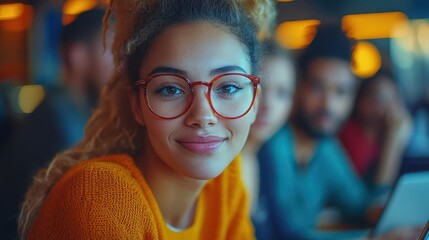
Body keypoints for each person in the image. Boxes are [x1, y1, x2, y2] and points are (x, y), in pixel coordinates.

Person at [18, 0, 272, 238]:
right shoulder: (99, 196)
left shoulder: (226, 182)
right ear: (137, 105)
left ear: (255, 101)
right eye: (170, 89)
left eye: (228, 88)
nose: (203, 115)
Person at [0, 8, 113, 239]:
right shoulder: (57, 124)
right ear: (77, 55)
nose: (120, 67)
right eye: (112, 51)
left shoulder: (69, 110)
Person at [258, 24, 378, 238]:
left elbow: (359, 205)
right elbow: (281, 234)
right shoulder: (267, 139)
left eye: (341, 92)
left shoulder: (326, 148)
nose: (328, 105)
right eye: (317, 87)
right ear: (298, 86)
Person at [240, 39, 300, 239]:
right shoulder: (217, 166)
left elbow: (282, 232)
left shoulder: (264, 154)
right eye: (259, 87)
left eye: (282, 93)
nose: (268, 105)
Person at [339, 70, 412, 187]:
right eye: (380, 100)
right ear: (360, 101)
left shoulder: (381, 136)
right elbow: (378, 190)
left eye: (393, 101)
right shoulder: (348, 136)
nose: (390, 109)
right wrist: (393, 139)